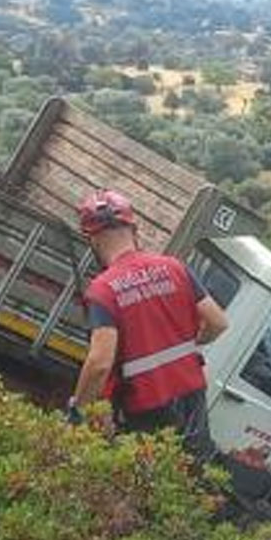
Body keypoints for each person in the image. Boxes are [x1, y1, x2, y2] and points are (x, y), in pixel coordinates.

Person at [66, 190, 229, 464]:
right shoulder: (175, 268)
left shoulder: (103, 290)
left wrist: (78, 410)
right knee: (194, 470)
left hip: (147, 403)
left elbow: (100, 363)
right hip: (191, 390)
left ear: (91, 238)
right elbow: (218, 322)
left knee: (146, 477)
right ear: (133, 227)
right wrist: (193, 342)